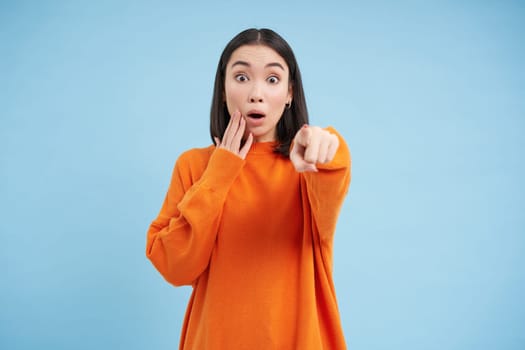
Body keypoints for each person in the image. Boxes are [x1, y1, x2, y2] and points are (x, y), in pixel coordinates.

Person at [146, 28, 351, 350]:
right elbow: (175, 267)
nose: (256, 93)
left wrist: (321, 142)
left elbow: (332, 166)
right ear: (223, 89)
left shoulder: (308, 167)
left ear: (289, 94)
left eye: (272, 79)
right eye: (241, 77)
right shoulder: (194, 166)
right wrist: (221, 171)